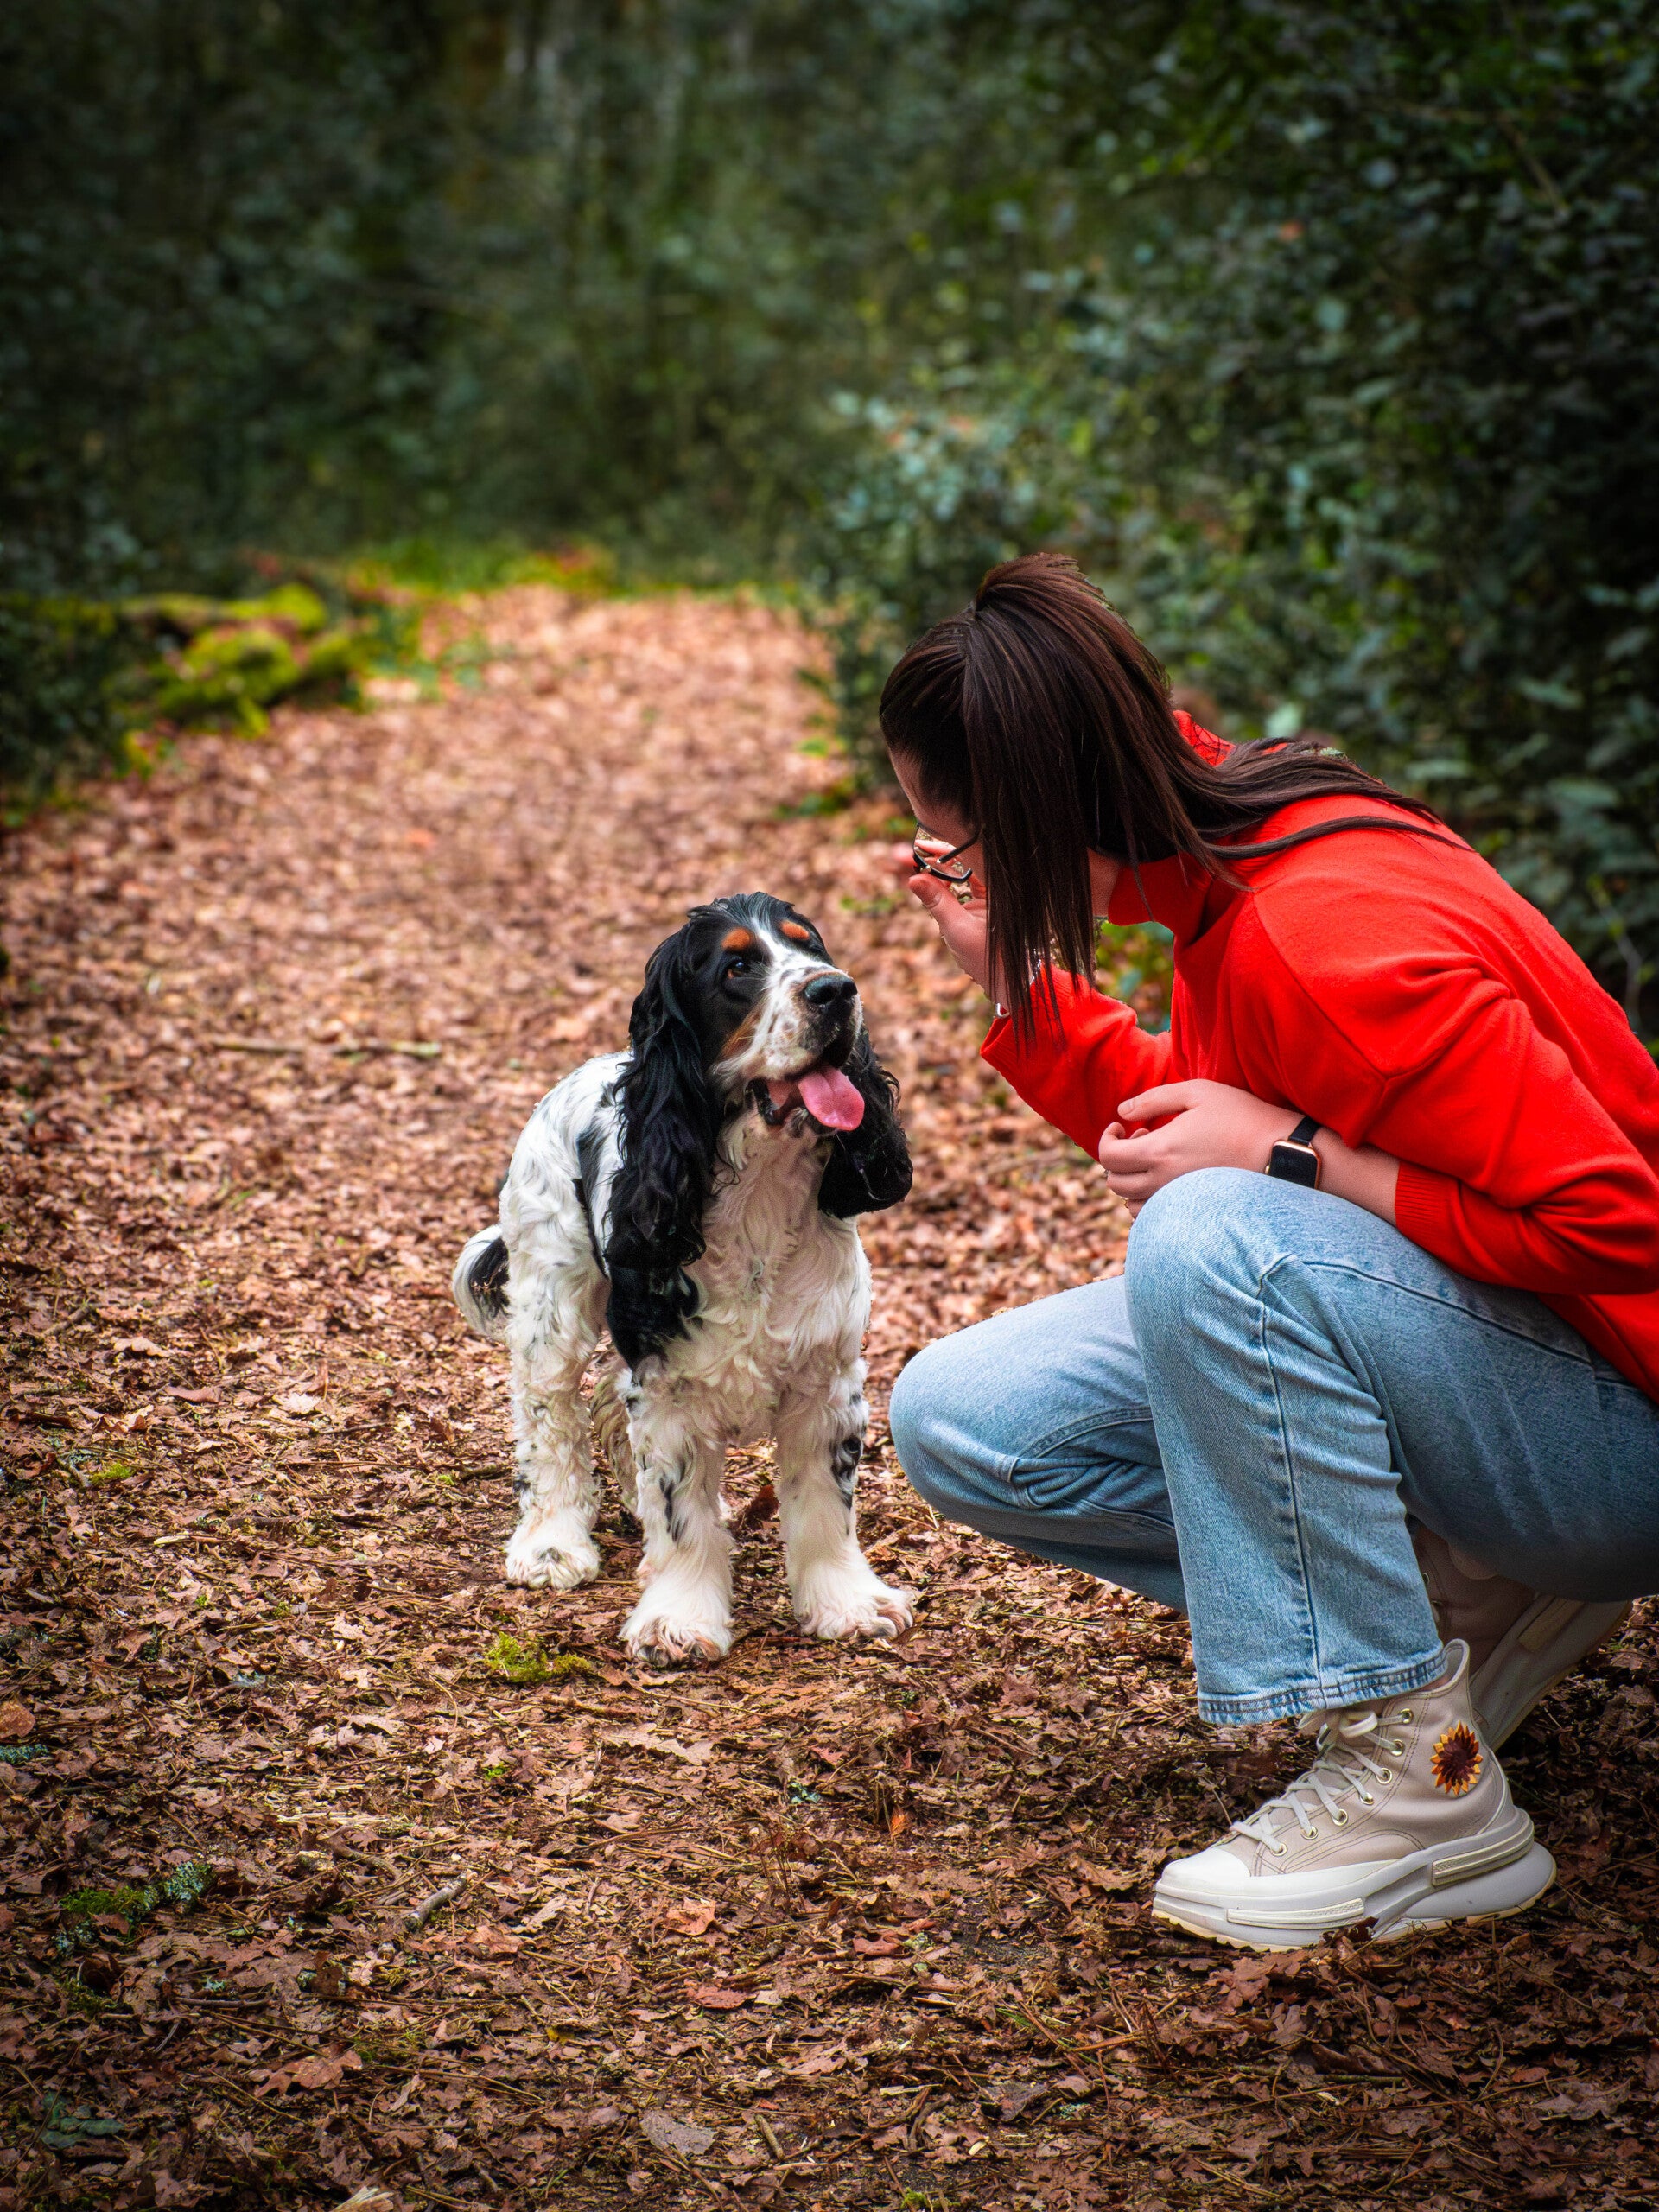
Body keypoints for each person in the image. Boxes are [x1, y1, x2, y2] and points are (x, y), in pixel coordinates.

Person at [883, 550, 1659, 1949]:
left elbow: (1621, 1220)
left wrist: (1296, 1156)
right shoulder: (1239, 853)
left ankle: (1421, 1788)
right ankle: (1459, 1611)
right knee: (967, 1418)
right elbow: (1205, 1113)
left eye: (958, 849)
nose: (953, 873)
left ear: (1041, 818)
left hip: (1621, 1434)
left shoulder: (1320, 936)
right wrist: (1023, 983)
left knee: (1213, 1232)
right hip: (1522, 1357)